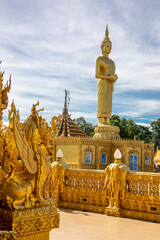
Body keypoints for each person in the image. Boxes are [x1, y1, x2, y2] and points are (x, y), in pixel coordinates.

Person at [95, 25, 118, 126]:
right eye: (107, 46)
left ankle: (107, 121)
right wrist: (109, 77)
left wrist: (114, 78)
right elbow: (97, 74)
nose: (109, 48)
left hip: (109, 84)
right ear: (102, 46)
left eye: (111, 47)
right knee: (102, 101)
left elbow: (113, 75)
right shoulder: (99, 59)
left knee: (108, 102)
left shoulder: (112, 62)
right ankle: (101, 122)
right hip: (103, 82)